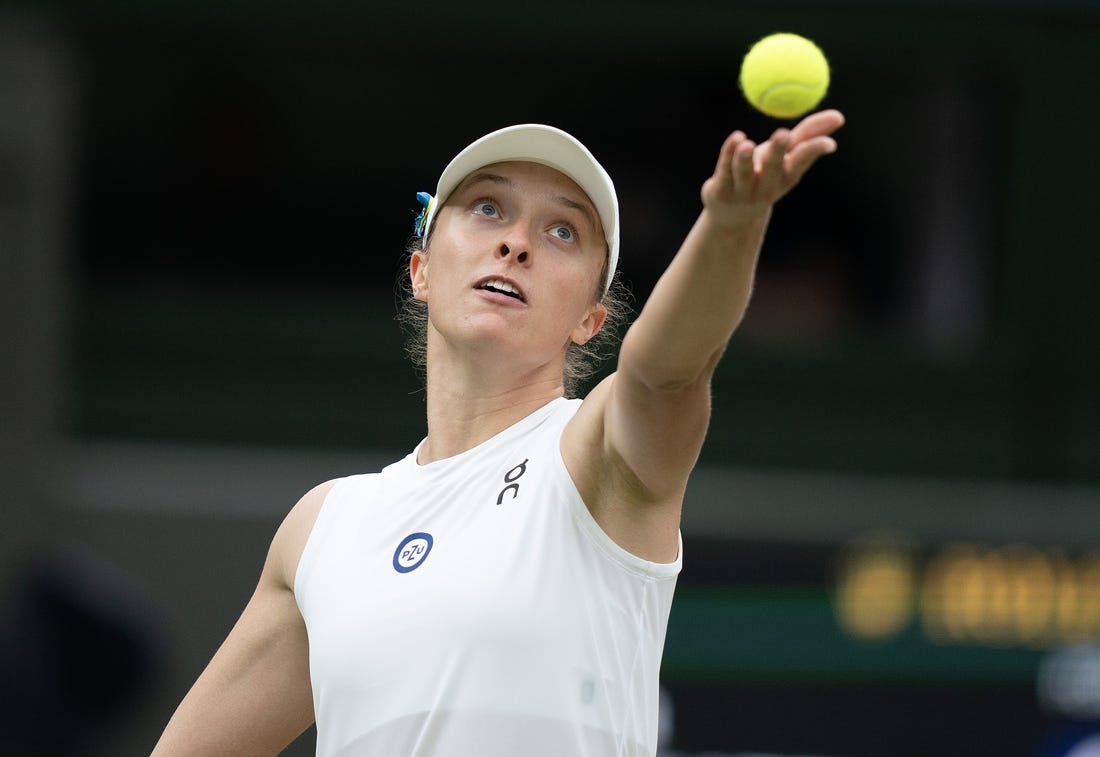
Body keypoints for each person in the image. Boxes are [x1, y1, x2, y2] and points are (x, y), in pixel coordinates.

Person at [151, 110, 845, 756]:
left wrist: (729, 227)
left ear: (591, 321)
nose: (515, 242)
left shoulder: (595, 457)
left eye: (562, 231)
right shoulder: (323, 526)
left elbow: (665, 372)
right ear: (421, 268)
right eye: (488, 208)